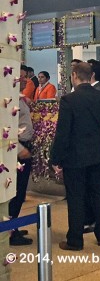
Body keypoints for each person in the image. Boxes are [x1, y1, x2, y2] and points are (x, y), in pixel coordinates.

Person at [50, 62, 100, 250]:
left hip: (75, 157)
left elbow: (63, 133)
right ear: (91, 75)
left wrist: (56, 158)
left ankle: (75, 240)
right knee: (99, 192)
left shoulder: (69, 100)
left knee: (76, 196)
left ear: (75, 76)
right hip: (99, 154)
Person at [9, 97, 35, 246]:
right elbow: (5, 126)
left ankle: (13, 226)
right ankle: (10, 231)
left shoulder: (19, 98)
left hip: (22, 146)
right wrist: (19, 149)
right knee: (16, 192)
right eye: (22, 76)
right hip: (17, 150)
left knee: (19, 192)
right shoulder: (9, 98)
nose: (25, 80)